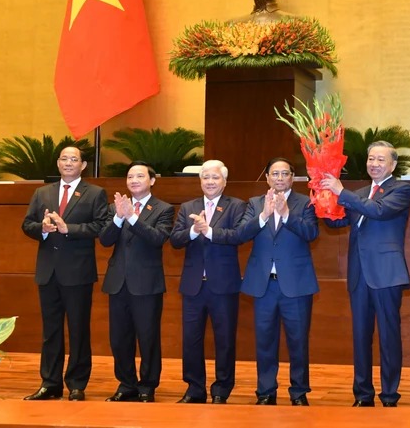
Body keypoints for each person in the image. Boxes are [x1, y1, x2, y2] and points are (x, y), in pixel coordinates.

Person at [319, 140, 410, 407]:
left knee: (388, 336)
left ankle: (389, 394)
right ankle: (362, 394)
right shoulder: (359, 193)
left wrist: (341, 192)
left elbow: (379, 211)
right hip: (358, 273)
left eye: (381, 159)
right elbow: (338, 221)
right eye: (371, 159)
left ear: (393, 164)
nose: (374, 164)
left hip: (387, 274)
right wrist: (323, 200)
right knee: (360, 336)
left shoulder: (401, 189)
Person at [21, 146, 109, 401]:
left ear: (83, 165)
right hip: (48, 272)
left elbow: (101, 227)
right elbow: (27, 224)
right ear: (58, 163)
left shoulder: (95, 193)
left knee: (79, 330)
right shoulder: (42, 192)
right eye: (64, 158)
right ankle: (50, 383)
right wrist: (43, 228)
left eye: (74, 159)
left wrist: (67, 228)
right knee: (51, 331)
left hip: (78, 273)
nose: (68, 163)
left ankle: (77, 384)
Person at [237, 157, 319, 406]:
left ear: (292, 177)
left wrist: (286, 215)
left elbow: (311, 233)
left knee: (298, 341)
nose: (280, 178)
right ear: (267, 177)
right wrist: (263, 215)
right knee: (264, 340)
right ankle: (265, 391)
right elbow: (241, 234)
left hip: (296, 284)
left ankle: (299, 392)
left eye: (285, 173)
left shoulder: (305, 202)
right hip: (264, 285)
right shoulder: (255, 203)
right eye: (275, 173)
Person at [170, 160, 246, 404]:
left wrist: (209, 231)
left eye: (215, 177)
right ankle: (194, 388)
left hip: (223, 285)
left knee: (225, 340)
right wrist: (194, 231)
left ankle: (222, 389)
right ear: (200, 180)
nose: (210, 182)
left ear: (224, 181)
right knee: (191, 340)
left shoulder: (236, 206)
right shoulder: (188, 207)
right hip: (193, 285)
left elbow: (238, 236)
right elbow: (175, 240)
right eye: (206, 177)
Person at [99, 161, 174, 403]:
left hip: (147, 284)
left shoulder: (163, 208)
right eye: (130, 176)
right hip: (118, 282)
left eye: (140, 176)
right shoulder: (115, 208)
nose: (133, 180)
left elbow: (157, 238)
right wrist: (118, 218)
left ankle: (147, 386)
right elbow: (105, 240)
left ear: (152, 180)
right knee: (119, 338)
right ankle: (126, 384)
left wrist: (132, 217)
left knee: (148, 337)